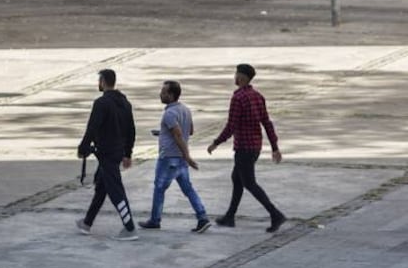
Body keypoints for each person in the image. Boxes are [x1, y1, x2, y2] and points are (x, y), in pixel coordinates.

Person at [207, 64, 286, 233]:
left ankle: (275, 214)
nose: (234, 77)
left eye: (236, 74)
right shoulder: (258, 96)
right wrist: (274, 147)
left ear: (241, 77)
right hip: (255, 146)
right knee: (237, 178)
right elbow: (267, 123)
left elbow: (231, 126)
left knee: (249, 183)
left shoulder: (238, 98)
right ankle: (230, 216)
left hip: (243, 147)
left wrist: (216, 142)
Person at [139, 81, 211, 233]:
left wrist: (188, 156)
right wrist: (163, 133)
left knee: (159, 188)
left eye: (163, 92)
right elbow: (189, 131)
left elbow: (178, 134)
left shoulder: (169, 113)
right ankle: (202, 216)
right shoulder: (185, 109)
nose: (160, 94)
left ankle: (155, 220)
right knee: (188, 189)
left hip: (169, 158)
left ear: (171, 95)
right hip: (180, 160)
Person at [76, 69, 138, 241]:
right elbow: (131, 130)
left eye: (99, 81)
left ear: (103, 81)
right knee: (101, 188)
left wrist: (83, 148)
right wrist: (128, 153)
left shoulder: (101, 103)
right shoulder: (125, 103)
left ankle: (130, 228)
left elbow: (92, 128)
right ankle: (87, 223)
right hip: (117, 152)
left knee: (116, 191)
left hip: (106, 153)